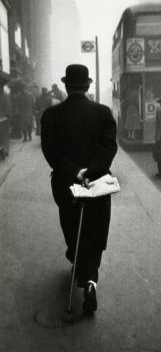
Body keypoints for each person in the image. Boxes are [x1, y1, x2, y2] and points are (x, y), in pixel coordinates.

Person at [40, 64, 117, 313]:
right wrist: (91, 172)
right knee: (95, 233)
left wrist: (75, 172)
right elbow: (108, 149)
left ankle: (75, 257)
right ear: (87, 86)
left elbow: (50, 151)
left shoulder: (51, 115)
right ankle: (91, 281)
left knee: (72, 228)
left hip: (66, 184)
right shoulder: (103, 113)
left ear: (65, 85)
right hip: (97, 185)